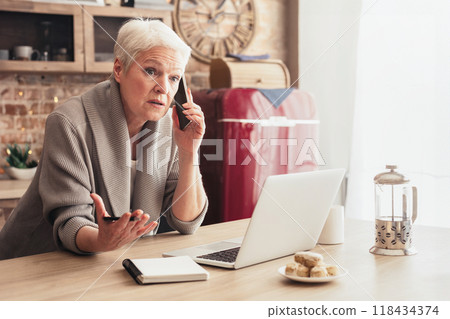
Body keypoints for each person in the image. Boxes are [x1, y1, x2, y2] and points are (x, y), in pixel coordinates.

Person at [0, 19, 208, 260]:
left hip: (110, 263)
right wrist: (102, 239)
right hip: (36, 265)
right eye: (151, 71)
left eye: (173, 78)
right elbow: (70, 221)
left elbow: (186, 222)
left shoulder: (172, 126)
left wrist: (189, 150)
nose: (163, 88)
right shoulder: (68, 122)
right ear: (119, 70)